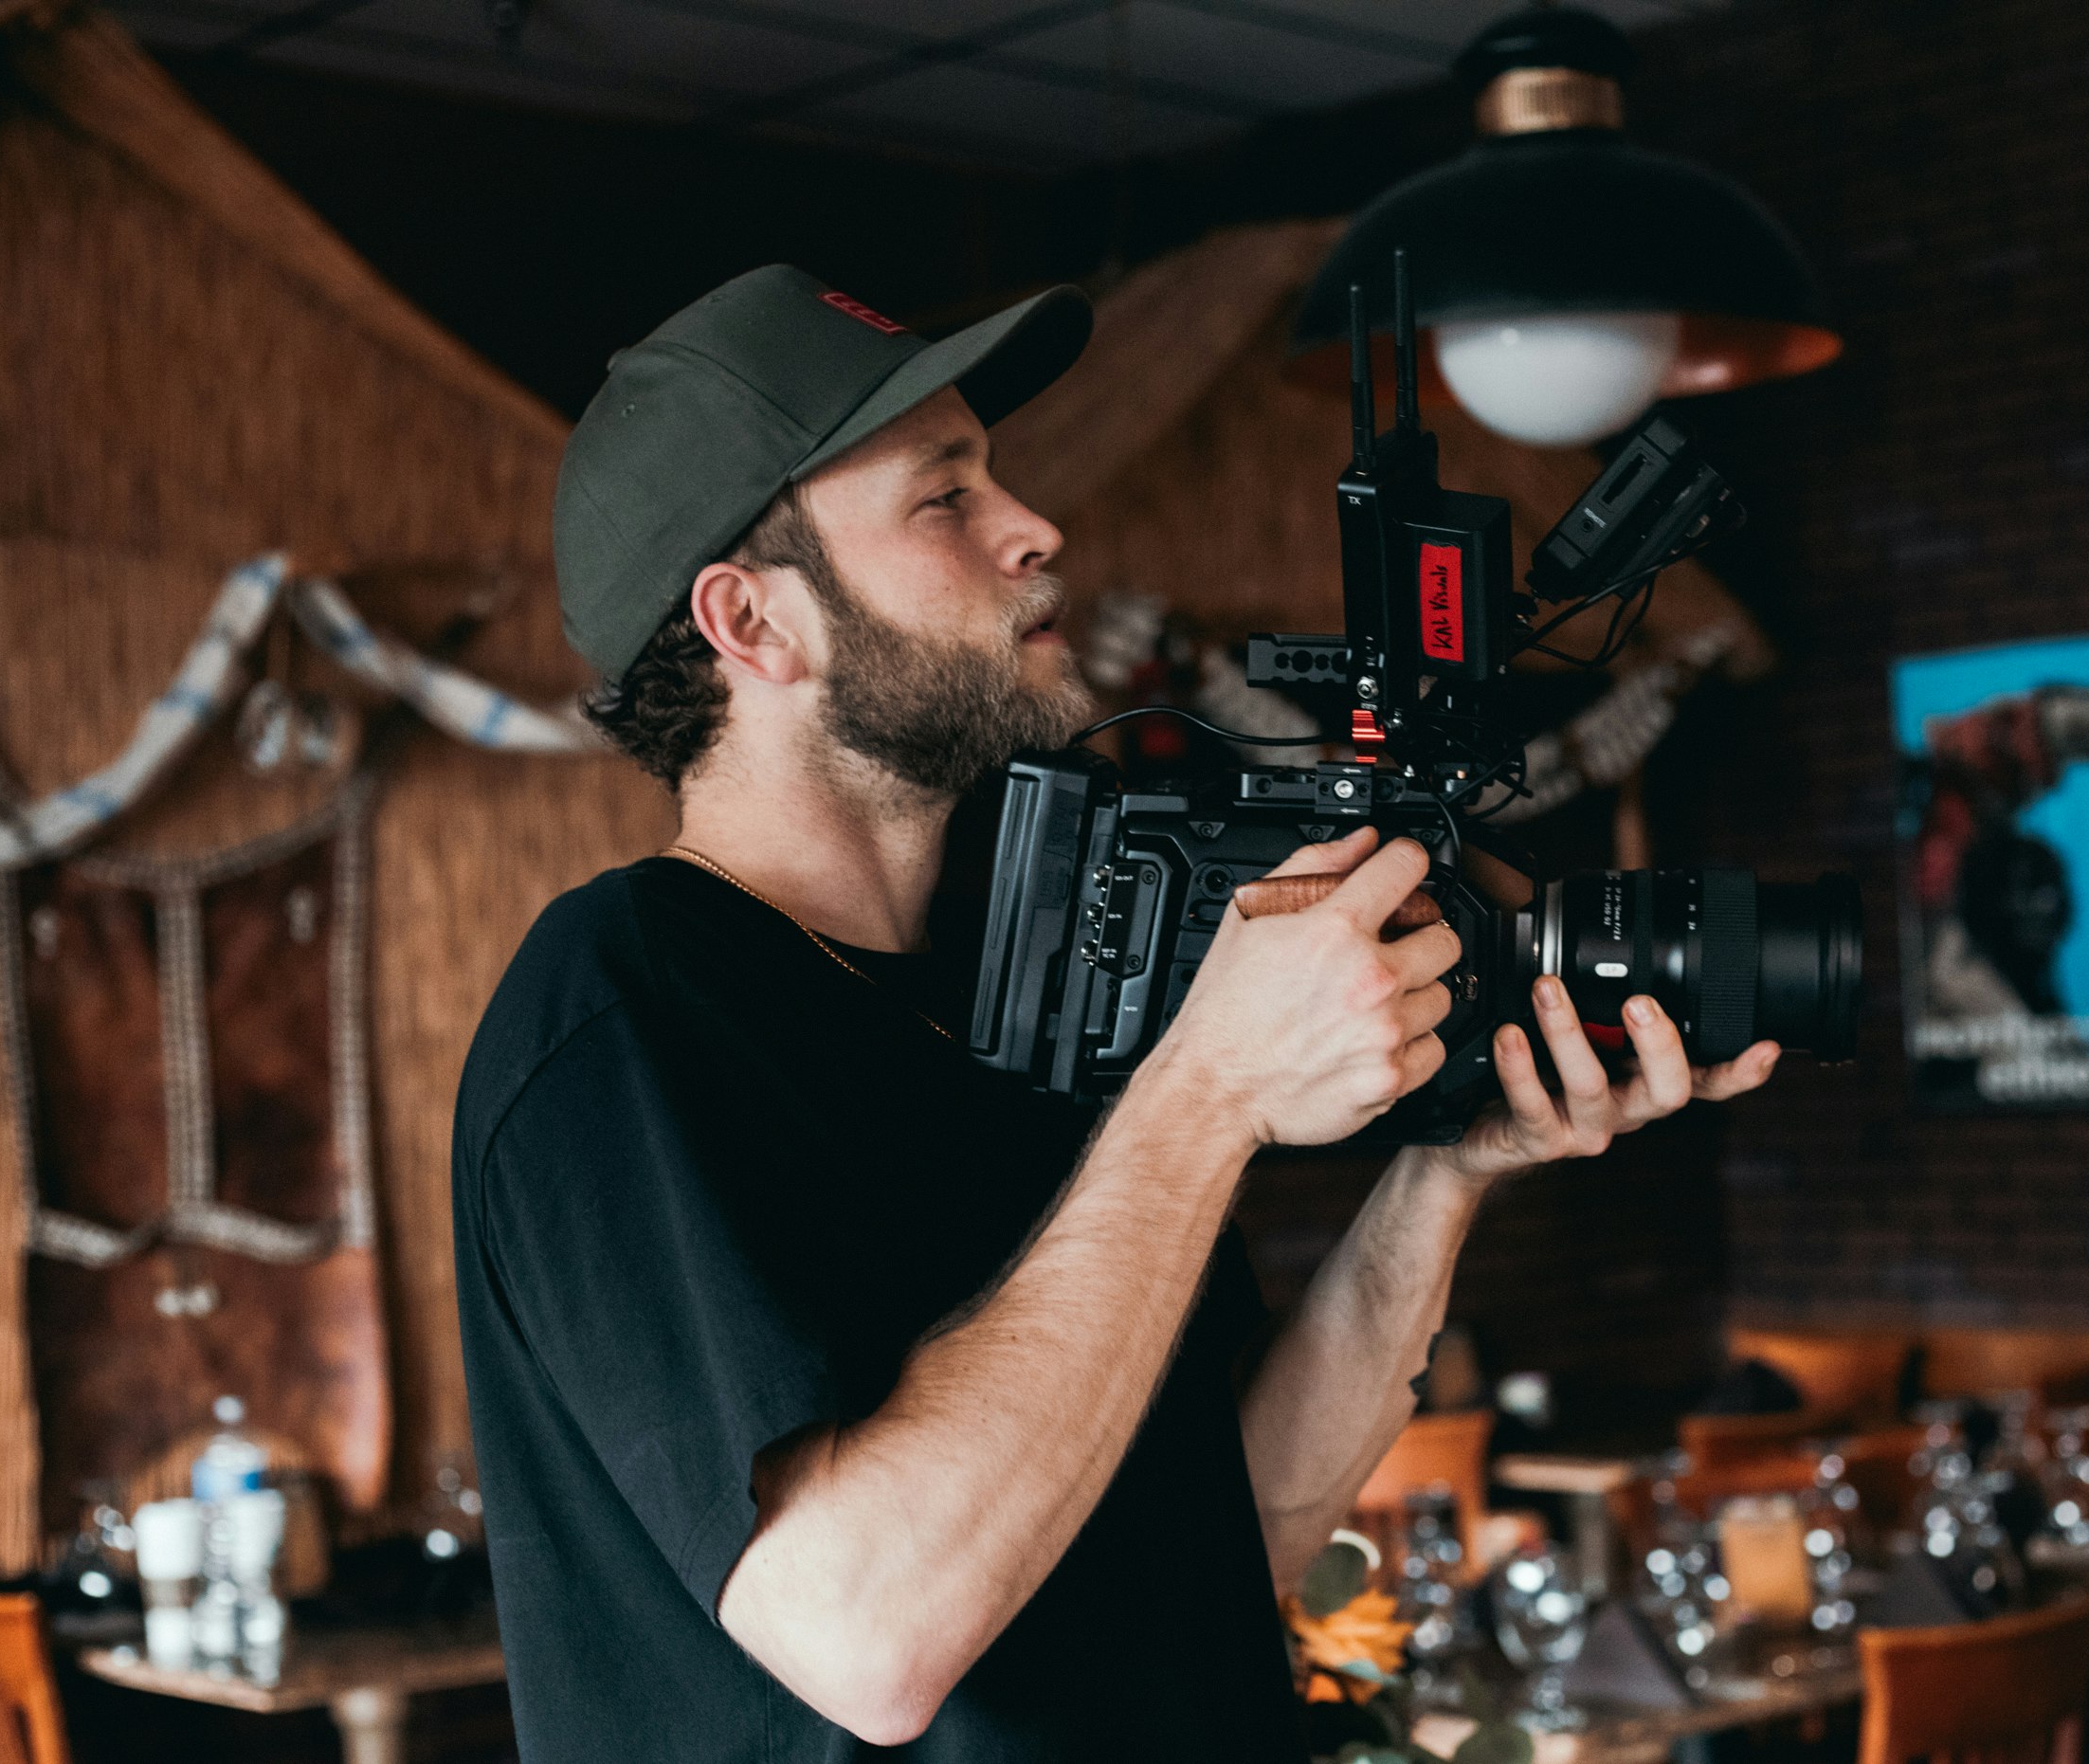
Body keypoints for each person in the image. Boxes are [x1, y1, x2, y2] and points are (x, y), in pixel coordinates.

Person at [451, 265, 1779, 1761]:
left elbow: (1238, 1533)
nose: (1037, 529)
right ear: (754, 622)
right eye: (945, 499)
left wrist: (1449, 1171)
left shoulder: (1028, 993)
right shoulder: (623, 1010)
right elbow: (865, 1638)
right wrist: (1205, 1090)